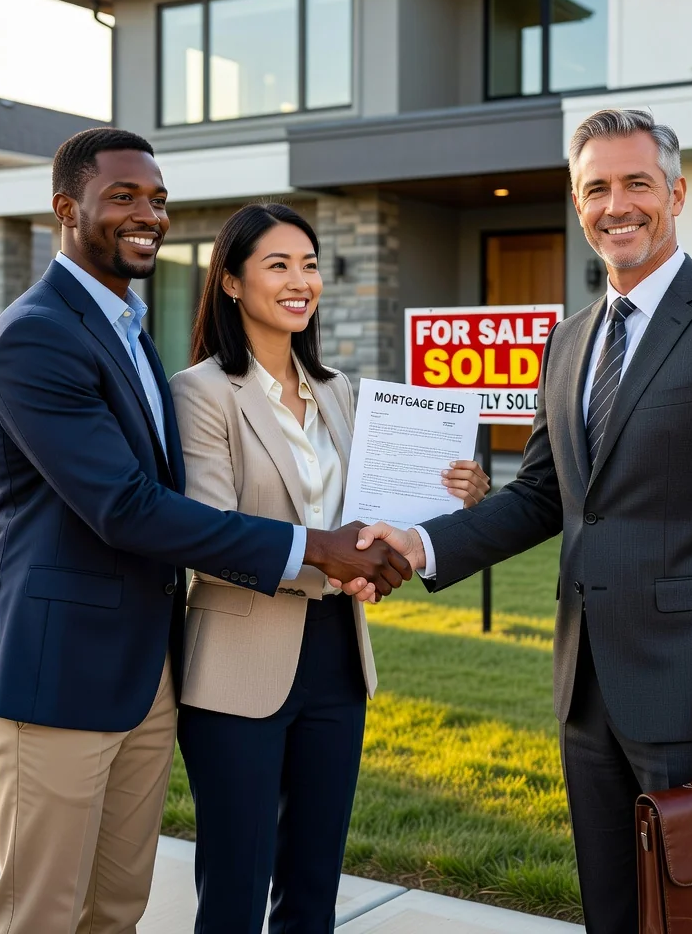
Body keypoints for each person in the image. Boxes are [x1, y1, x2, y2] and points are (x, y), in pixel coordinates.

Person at [348, 109, 692, 934]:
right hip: (585, 686)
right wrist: (419, 542)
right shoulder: (567, 342)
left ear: (676, 192)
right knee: (610, 904)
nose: (617, 204)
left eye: (637, 183)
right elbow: (543, 496)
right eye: (597, 188)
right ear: (577, 203)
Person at [0, 130, 411, 934]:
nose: (149, 215)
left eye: (160, 199)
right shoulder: (38, 334)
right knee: (39, 914)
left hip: (146, 673)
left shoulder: (128, 329)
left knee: (114, 911)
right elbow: (127, 507)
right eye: (124, 197)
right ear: (66, 210)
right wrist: (314, 546)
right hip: (57, 668)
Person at [169, 203, 489, 934]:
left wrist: (459, 498)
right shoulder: (202, 393)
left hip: (337, 660)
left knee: (314, 886)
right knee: (235, 889)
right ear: (230, 283)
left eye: (309, 265)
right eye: (278, 265)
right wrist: (332, 560)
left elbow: (372, 512)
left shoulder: (342, 391)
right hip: (237, 670)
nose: (300, 281)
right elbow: (212, 535)